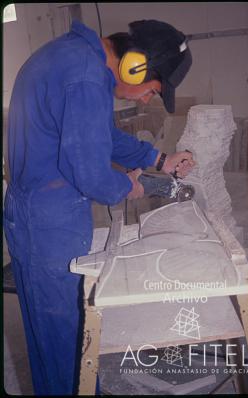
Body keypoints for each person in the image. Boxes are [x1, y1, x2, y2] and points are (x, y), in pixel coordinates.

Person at [4, 19, 195, 395]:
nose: (145, 100)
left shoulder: (76, 59)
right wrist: (129, 185)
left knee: (59, 331)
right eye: (152, 91)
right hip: (47, 221)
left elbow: (100, 136)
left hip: (44, 212)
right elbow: (91, 174)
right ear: (134, 65)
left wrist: (159, 160)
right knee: (62, 337)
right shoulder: (85, 77)